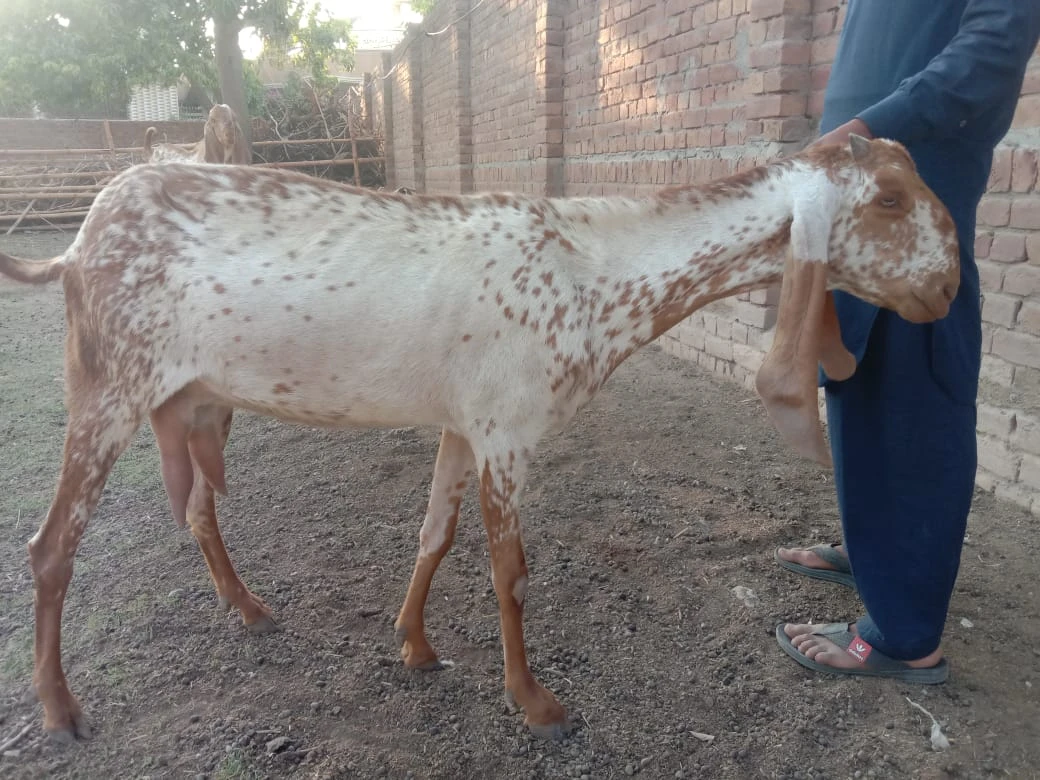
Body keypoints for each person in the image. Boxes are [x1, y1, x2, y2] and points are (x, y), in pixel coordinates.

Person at [773, 0, 1040, 682]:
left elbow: (992, 46)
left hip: (913, 207)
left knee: (916, 403)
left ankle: (904, 635)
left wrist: (864, 126)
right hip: (861, 196)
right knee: (857, 381)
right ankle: (874, 554)